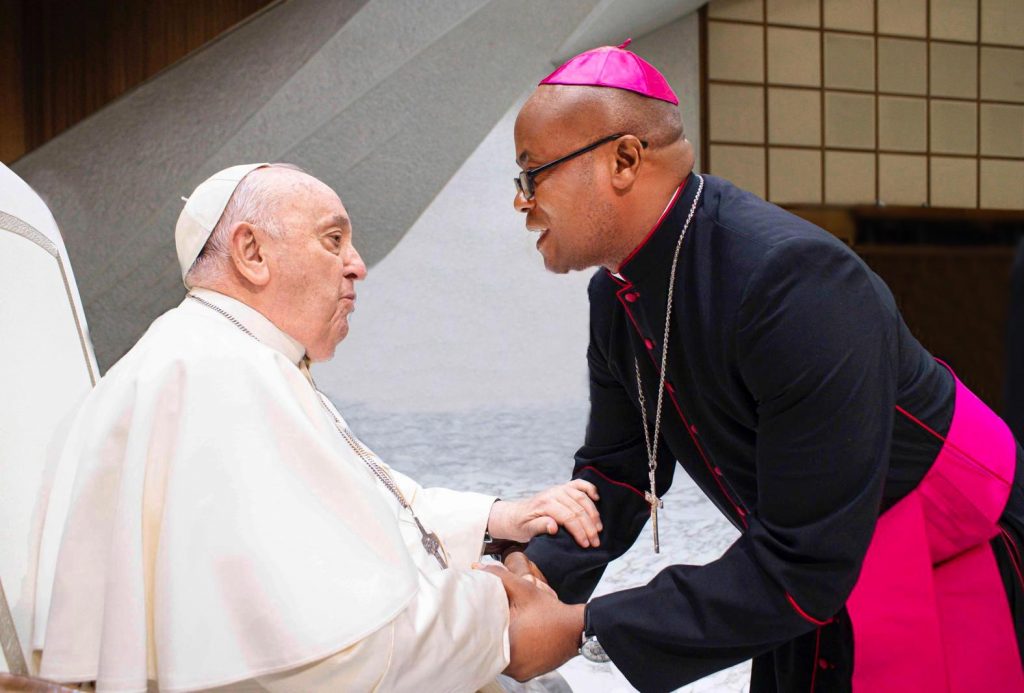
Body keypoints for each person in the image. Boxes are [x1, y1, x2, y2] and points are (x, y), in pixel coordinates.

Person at [486, 42, 1024, 691]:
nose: (522, 203)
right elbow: (618, 475)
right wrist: (533, 574)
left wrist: (582, 627)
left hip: (941, 543)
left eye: (531, 173)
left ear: (624, 160)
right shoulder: (617, 292)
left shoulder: (795, 282)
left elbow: (805, 565)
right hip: (800, 556)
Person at [33, 163, 602, 692]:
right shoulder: (219, 378)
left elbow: (370, 503)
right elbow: (336, 654)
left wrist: (495, 518)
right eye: (334, 240)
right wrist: (501, 613)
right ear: (251, 252)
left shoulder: (232, 355)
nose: (358, 264)